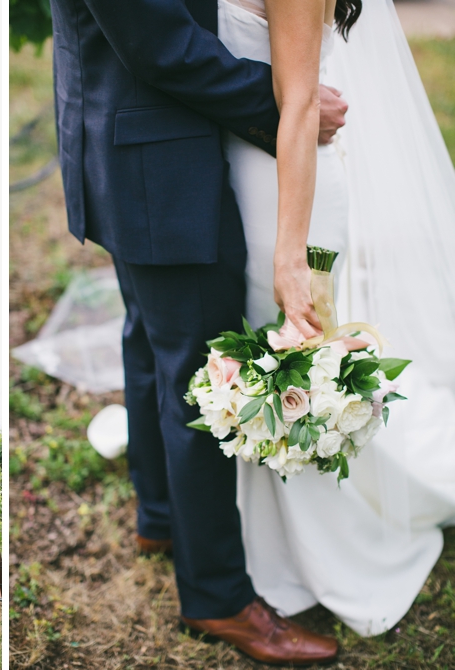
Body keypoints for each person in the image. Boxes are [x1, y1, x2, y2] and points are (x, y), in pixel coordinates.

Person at [50, 0, 348, 664]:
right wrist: (282, 108)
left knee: (154, 342)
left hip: (124, 141)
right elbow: (159, 44)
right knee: (202, 377)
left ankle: (159, 516)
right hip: (160, 165)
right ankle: (217, 596)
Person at [221, 0, 455, 637]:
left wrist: (290, 253)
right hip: (259, 170)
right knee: (267, 372)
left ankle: (316, 557)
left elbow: (298, 104)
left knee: (287, 372)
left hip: (285, 195)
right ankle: (264, 543)